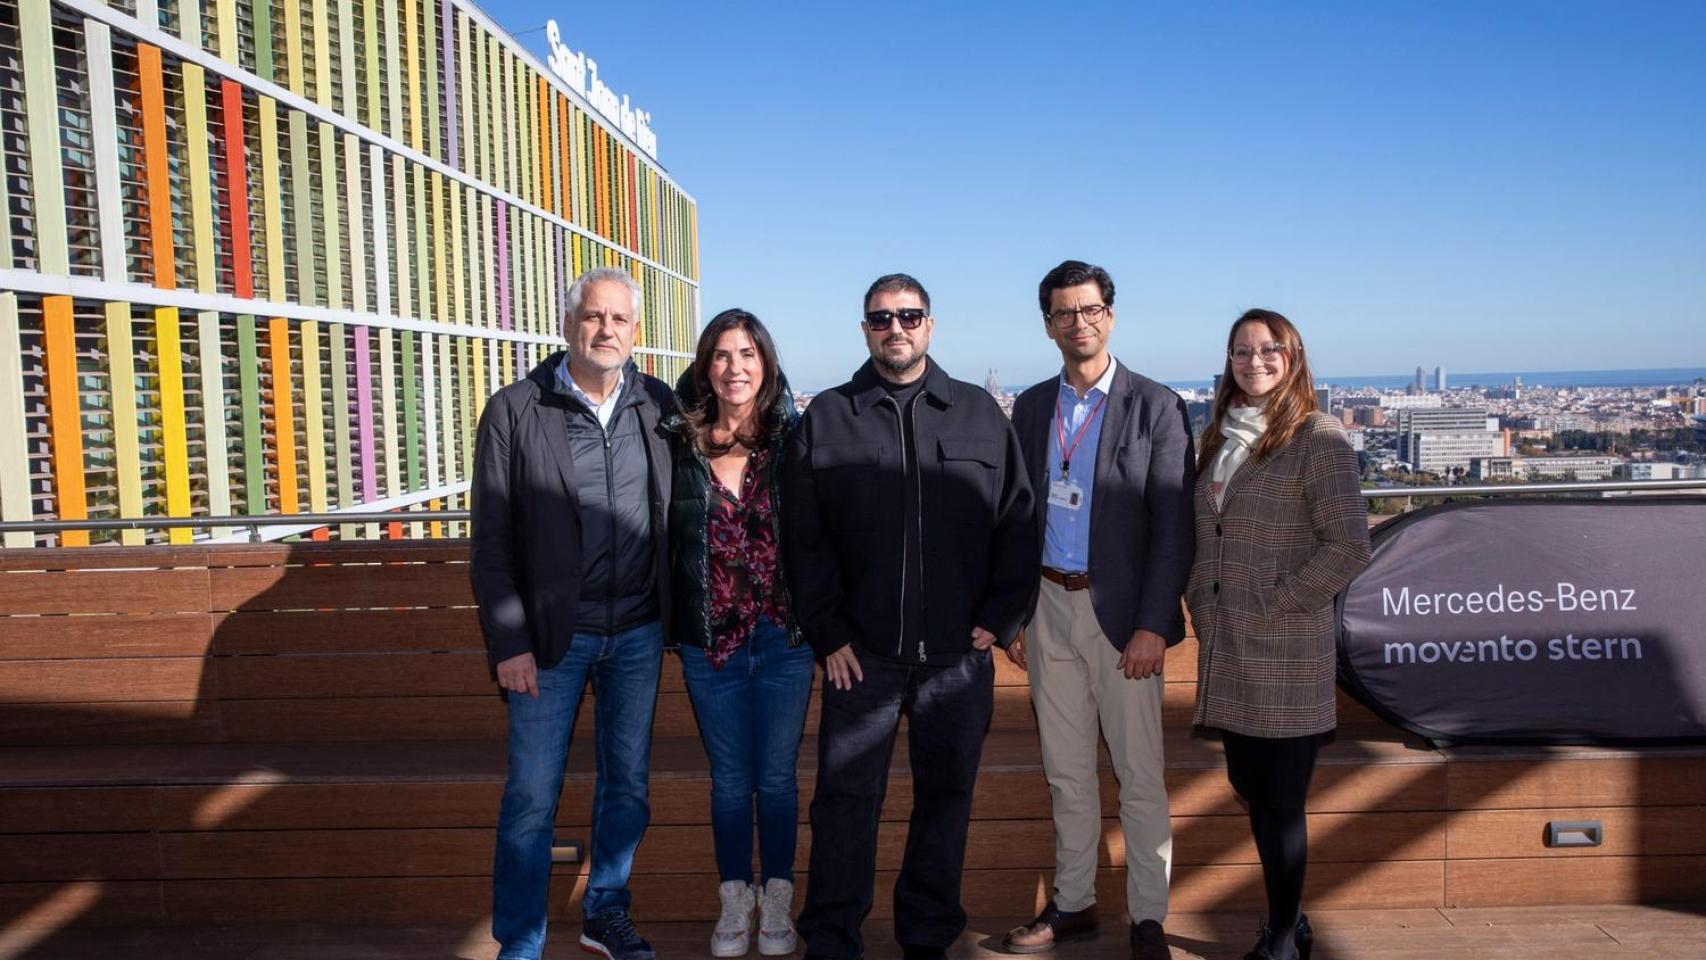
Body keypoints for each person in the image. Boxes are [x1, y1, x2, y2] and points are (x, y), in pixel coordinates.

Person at [783, 274, 1038, 960]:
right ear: (863, 329)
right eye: (881, 318)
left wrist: (1002, 614)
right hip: (859, 657)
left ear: (930, 325)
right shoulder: (829, 416)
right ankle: (832, 939)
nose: (895, 328)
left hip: (957, 657)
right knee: (843, 805)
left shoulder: (980, 413)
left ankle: (927, 936)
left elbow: (1018, 522)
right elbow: (803, 541)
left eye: (909, 315)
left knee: (946, 799)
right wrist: (827, 631)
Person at [470, 266, 676, 960]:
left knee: (628, 786)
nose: (606, 329)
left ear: (636, 331)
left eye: (620, 319)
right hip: (550, 642)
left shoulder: (657, 404)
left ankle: (605, 912)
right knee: (531, 798)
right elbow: (492, 540)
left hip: (640, 631)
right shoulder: (515, 410)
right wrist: (509, 641)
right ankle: (520, 940)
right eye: (594, 316)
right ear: (568, 324)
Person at [1004, 261, 1195, 960]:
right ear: (1049, 324)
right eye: (1063, 313)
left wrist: (1153, 623)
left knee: (1139, 773)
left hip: (1122, 620)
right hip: (1047, 606)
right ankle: (1075, 903)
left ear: (1110, 316)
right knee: (1066, 772)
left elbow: (1174, 526)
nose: (1077, 323)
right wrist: (1016, 614)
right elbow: (1015, 515)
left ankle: (1150, 918)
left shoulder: (1157, 406)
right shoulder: (1029, 408)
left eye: (1089, 310)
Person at [1184, 309, 1371, 960]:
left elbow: (1349, 545)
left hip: (1287, 647)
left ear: (1293, 357)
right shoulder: (1218, 437)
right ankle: (1290, 919)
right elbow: (1207, 532)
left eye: (1268, 350)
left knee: (1282, 801)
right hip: (1228, 646)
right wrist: (1201, 609)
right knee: (1253, 790)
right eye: (1241, 351)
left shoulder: (1319, 437)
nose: (1254, 361)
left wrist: (1281, 602)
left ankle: (1282, 935)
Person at [667, 309, 812, 957]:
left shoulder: (793, 441)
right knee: (729, 780)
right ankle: (735, 899)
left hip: (784, 638)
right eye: (722, 355)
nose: (735, 367)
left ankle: (776, 899)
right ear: (705, 367)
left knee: (777, 779)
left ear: (767, 364)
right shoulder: (677, 444)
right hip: (710, 641)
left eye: (748, 353)